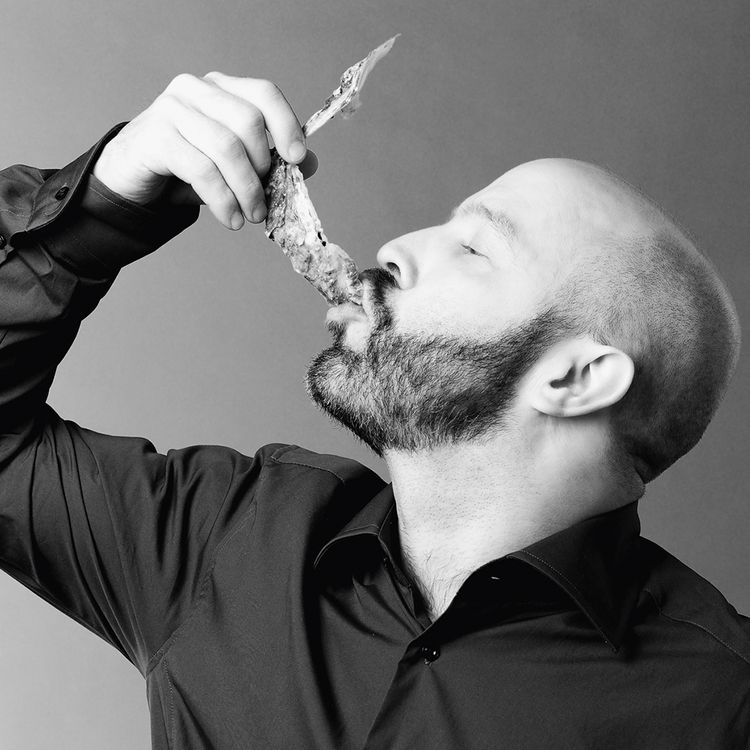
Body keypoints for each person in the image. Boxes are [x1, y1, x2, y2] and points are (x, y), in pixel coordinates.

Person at [0, 71, 747, 750]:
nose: (396, 248)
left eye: (475, 248)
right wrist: (104, 200)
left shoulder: (721, 709)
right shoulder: (226, 541)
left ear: (577, 377)